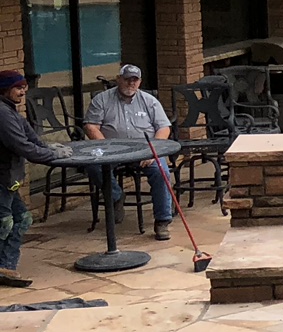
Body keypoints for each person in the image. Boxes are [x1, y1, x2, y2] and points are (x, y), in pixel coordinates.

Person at [84, 64, 175, 242]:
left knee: (161, 171)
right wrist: (107, 150)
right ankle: (116, 195)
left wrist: (152, 151)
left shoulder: (150, 101)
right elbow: (91, 126)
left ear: (139, 82)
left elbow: (164, 128)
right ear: (119, 79)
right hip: (112, 149)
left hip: (144, 150)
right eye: (127, 79)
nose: (130, 83)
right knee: (93, 166)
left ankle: (162, 221)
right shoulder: (102, 99)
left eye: (135, 80)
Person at [0, 70, 67, 287]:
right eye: (19, 88)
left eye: (24, 88)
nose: (23, 92)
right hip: (1, 179)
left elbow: (31, 138)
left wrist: (48, 147)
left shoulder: (11, 111)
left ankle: (6, 267)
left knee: (22, 219)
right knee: (4, 224)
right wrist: (52, 156)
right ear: (5, 89)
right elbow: (22, 146)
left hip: (10, 179)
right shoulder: (1, 113)